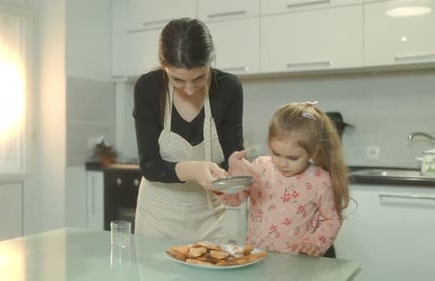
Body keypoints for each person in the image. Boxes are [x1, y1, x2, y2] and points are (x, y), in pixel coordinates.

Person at [132, 18, 245, 243]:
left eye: (199, 77)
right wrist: (194, 170)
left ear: (209, 61)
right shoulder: (148, 87)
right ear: (164, 66)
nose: (190, 88)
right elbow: (150, 165)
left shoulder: (228, 87)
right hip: (158, 219)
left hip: (211, 219)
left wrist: (238, 165)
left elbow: (233, 150)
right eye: (178, 80)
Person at [220, 101, 350, 256]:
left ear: (313, 151)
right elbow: (235, 199)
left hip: (298, 263)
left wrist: (314, 243)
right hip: (258, 257)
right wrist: (224, 185)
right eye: (276, 153)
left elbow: (331, 220)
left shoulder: (320, 180)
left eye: (292, 158)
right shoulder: (260, 167)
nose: (282, 163)